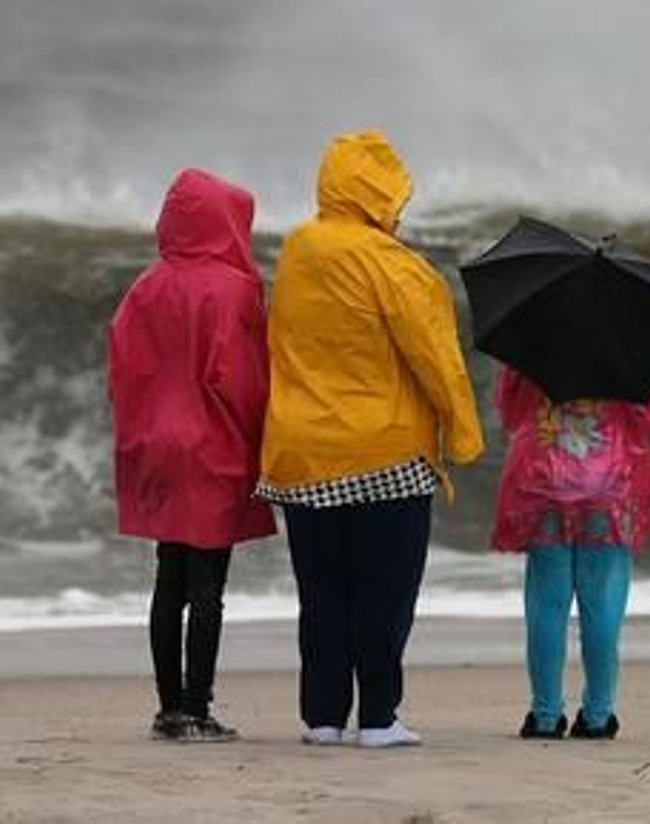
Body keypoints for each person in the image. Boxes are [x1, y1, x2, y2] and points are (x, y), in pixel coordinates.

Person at [256, 129, 483, 749]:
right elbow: (435, 357)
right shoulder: (395, 266)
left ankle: (322, 718)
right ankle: (379, 718)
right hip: (385, 453)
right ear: (378, 196)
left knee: (322, 593)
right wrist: (462, 435)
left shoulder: (297, 250)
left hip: (301, 453)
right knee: (384, 594)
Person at [108, 168, 277, 743]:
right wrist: (265, 438)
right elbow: (242, 381)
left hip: (155, 443)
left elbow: (122, 372)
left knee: (168, 580)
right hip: (211, 445)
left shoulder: (145, 287)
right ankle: (198, 707)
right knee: (209, 587)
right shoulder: (233, 289)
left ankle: (167, 708)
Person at [490, 367, 650, 740]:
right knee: (602, 604)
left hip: (543, 484)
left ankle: (545, 715)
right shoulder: (624, 349)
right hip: (609, 486)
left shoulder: (527, 342)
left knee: (547, 605)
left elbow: (508, 414)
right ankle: (598, 716)